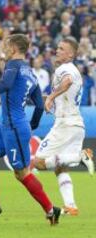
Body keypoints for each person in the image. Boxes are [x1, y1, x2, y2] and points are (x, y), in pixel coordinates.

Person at [0, 34, 61, 225]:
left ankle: (51, 209)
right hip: (8, 126)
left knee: (22, 174)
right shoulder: (29, 72)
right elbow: (39, 106)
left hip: (14, 127)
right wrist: (31, 125)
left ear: (15, 48)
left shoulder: (13, 66)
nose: (4, 48)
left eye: (6, 45)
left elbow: (5, 85)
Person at [32, 37, 94, 216]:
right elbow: (65, 91)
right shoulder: (73, 70)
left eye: (61, 48)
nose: (57, 50)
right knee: (61, 167)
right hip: (76, 125)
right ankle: (71, 206)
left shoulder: (64, 69)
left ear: (70, 54)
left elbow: (66, 83)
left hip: (65, 124)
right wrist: (46, 98)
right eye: (57, 47)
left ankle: (80, 156)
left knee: (38, 162)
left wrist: (51, 97)